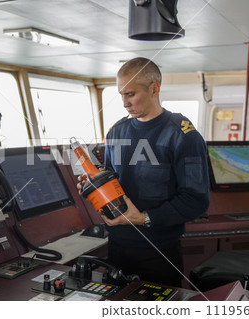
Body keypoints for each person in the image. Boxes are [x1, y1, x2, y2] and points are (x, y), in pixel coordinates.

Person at [78, 57, 210, 287]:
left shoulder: (182, 136)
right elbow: (111, 181)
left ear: (154, 88)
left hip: (159, 250)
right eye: (121, 95)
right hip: (118, 247)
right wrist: (94, 186)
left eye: (131, 94)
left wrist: (142, 218)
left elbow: (196, 200)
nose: (124, 103)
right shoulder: (116, 132)